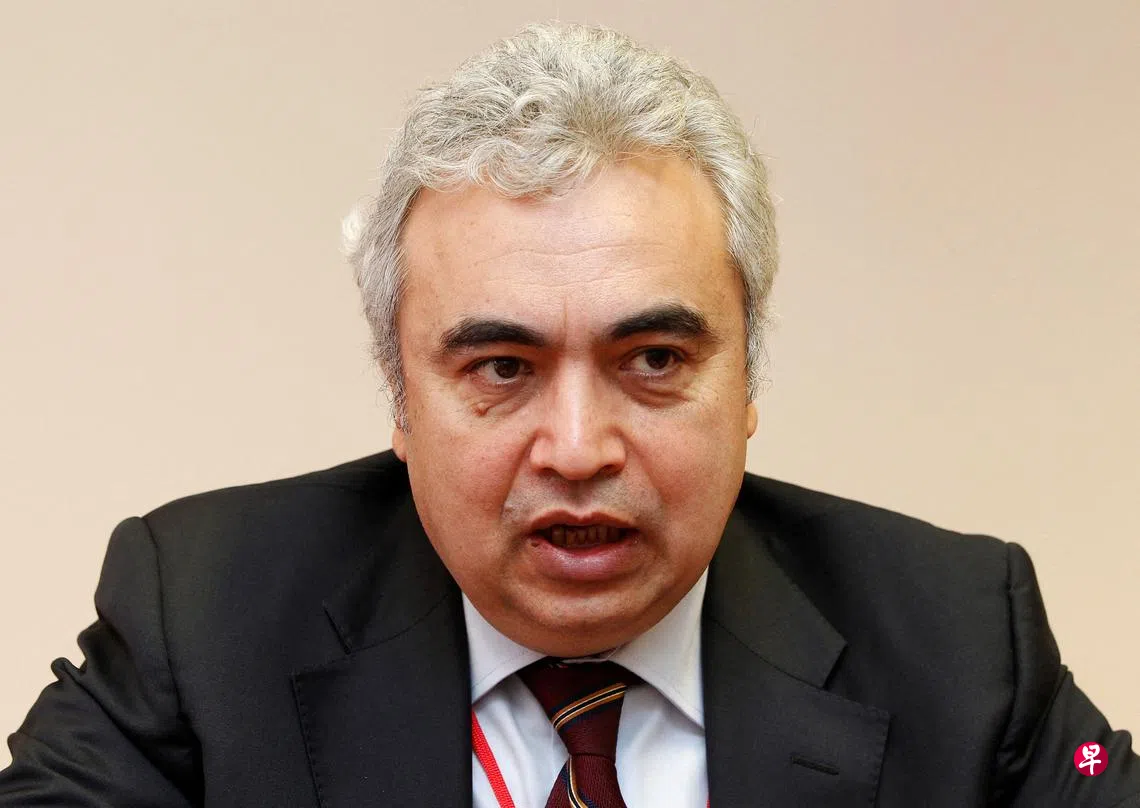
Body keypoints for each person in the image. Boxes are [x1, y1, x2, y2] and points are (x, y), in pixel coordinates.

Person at [1, 21, 1136, 808]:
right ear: (402, 397)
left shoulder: (958, 640)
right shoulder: (204, 614)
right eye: (502, 367)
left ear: (747, 383)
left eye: (654, 359)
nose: (580, 450)